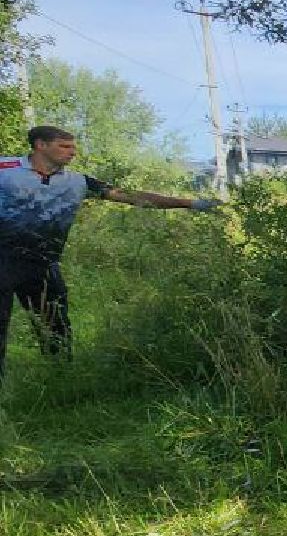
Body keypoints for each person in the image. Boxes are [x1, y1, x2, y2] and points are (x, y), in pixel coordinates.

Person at [0, 125, 220, 381]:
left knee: (55, 325)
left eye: (73, 146)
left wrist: (190, 203)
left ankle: (59, 381)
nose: (73, 152)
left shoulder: (78, 182)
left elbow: (129, 196)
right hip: (2, 259)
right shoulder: (6, 169)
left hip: (43, 263)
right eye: (64, 146)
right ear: (40, 145)